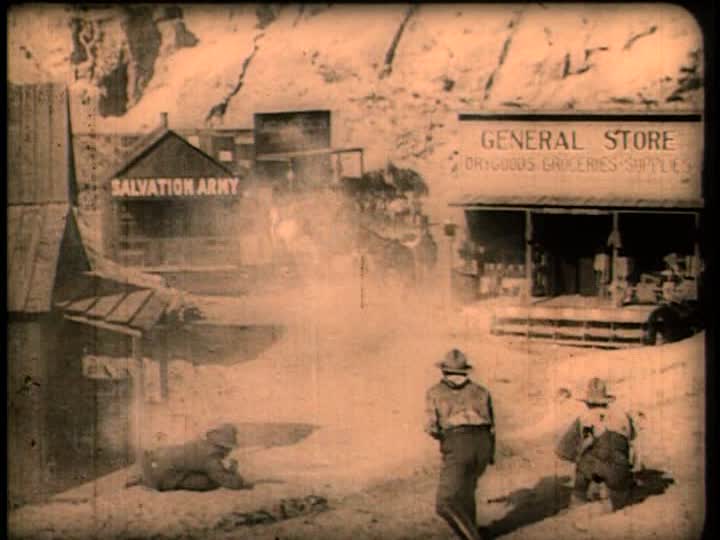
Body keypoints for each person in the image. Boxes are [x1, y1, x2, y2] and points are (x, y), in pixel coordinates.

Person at [425, 349, 496, 540]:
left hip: (458, 444)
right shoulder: (482, 391)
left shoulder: (435, 392)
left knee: (445, 502)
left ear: (443, 371)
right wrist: (490, 454)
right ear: (465, 371)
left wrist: (448, 442)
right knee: (466, 491)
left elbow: (432, 428)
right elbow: (492, 426)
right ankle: (472, 530)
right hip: (483, 445)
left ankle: (471, 537)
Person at [555, 378, 637, 513]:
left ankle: (579, 498)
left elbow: (562, 451)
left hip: (593, 468)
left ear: (587, 403)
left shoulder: (583, 418)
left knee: (584, 463)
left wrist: (580, 456)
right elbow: (632, 438)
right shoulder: (623, 416)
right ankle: (610, 492)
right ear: (606, 401)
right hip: (619, 470)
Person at [129, 423, 251, 492]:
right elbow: (228, 482)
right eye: (229, 448)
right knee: (209, 483)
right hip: (163, 476)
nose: (229, 451)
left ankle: (143, 478)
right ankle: (148, 481)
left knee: (201, 473)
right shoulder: (211, 457)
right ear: (223, 447)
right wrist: (234, 472)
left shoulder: (202, 444)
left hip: (153, 462)